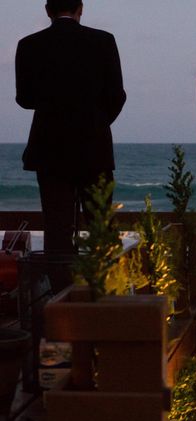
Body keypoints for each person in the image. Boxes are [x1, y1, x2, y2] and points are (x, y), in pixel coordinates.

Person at [15, 0, 126, 254]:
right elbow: (117, 95)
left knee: (56, 226)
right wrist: (97, 123)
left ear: (47, 10)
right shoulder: (103, 41)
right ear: (81, 9)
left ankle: (60, 287)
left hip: (49, 148)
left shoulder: (29, 45)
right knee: (100, 223)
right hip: (94, 148)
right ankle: (104, 285)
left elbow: (24, 99)